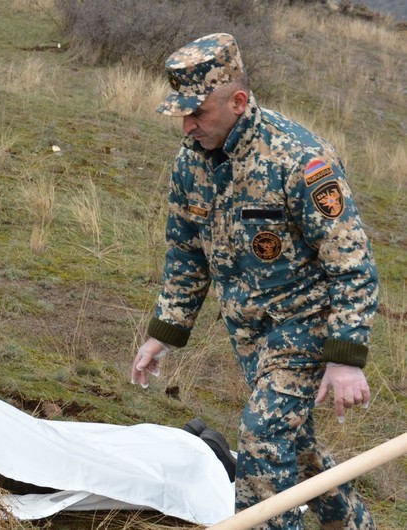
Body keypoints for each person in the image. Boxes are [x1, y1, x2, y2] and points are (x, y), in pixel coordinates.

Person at [131, 33, 378, 529]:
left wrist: (345, 358)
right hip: (249, 331)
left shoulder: (301, 160)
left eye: (198, 113)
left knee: (262, 439)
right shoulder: (191, 161)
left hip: (306, 323)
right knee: (294, 444)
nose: (187, 125)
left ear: (238, 102)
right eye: (182, 114)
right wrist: (166, 331)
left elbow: (352, 262)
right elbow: (186, 251)